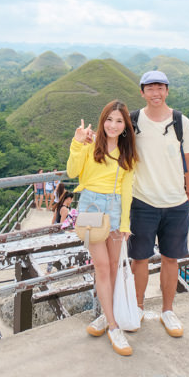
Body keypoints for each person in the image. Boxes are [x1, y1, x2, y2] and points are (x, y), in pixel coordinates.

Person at [128, 71, 189, 338]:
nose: (156, 93)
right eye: (150, 88)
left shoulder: (181, 122)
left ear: (167, 90)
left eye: (160, 88)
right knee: (139, 259)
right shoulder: (134, 121)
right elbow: (112, 144)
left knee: (171, 258)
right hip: (143, 200)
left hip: (176, 202)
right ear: (142, 92)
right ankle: (137, 308)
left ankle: (168, 310)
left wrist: (188, 193)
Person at [67, 100, 136, 356]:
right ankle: (114, 326)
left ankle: (105, 316)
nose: (113, 125)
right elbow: (72, 171)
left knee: (114, 269)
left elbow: (128, 190)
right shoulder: (89, 146)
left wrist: (126, 222)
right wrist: (76, 142)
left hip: (117, 209)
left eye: (119, 121)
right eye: (109, 119)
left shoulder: (127, 152)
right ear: (102, 120)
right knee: (103, 267)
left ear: (125, 126)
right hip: (92, 206)